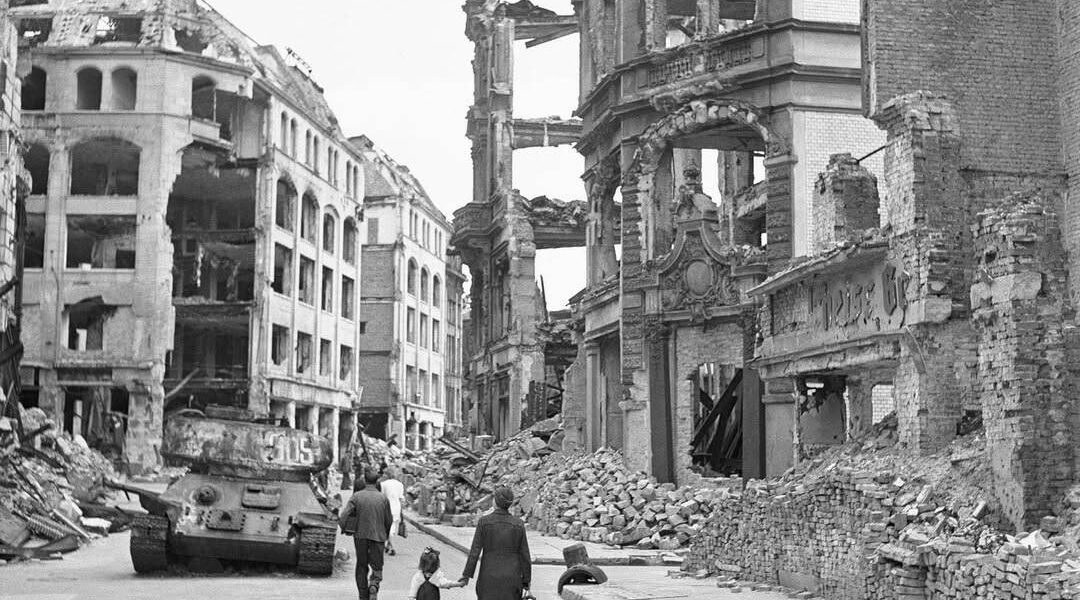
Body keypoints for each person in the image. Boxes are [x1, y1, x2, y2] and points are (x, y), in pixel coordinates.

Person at [458, 486, 531, 600]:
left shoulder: (484, 522)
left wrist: (466, 575)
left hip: (488, 579)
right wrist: (526, 580)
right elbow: (525, 555)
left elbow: (474, 551)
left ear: (495, 502)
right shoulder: (519, 524)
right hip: (512, 580)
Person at [338, 468, 393, 600]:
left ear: (365, 480)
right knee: (377, 565)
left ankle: (363, 595)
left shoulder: (357, 496)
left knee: (362, 565)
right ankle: (374, 584)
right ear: (376, 481)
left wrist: (344, 527)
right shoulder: (383, 498)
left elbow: (344, 515)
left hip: (360, 536)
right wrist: (385, 534)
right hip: (378, 537)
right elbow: (389, 520)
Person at [381, 466, 405, 556]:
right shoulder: (400, 484)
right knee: (393, 527)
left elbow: (382, 496)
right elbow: (401, 498)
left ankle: (390, 546)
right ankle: (389, 545)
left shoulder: (383, 484)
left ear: (387, 474)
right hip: (396, 508)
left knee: (386, 527)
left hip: (386, 508)